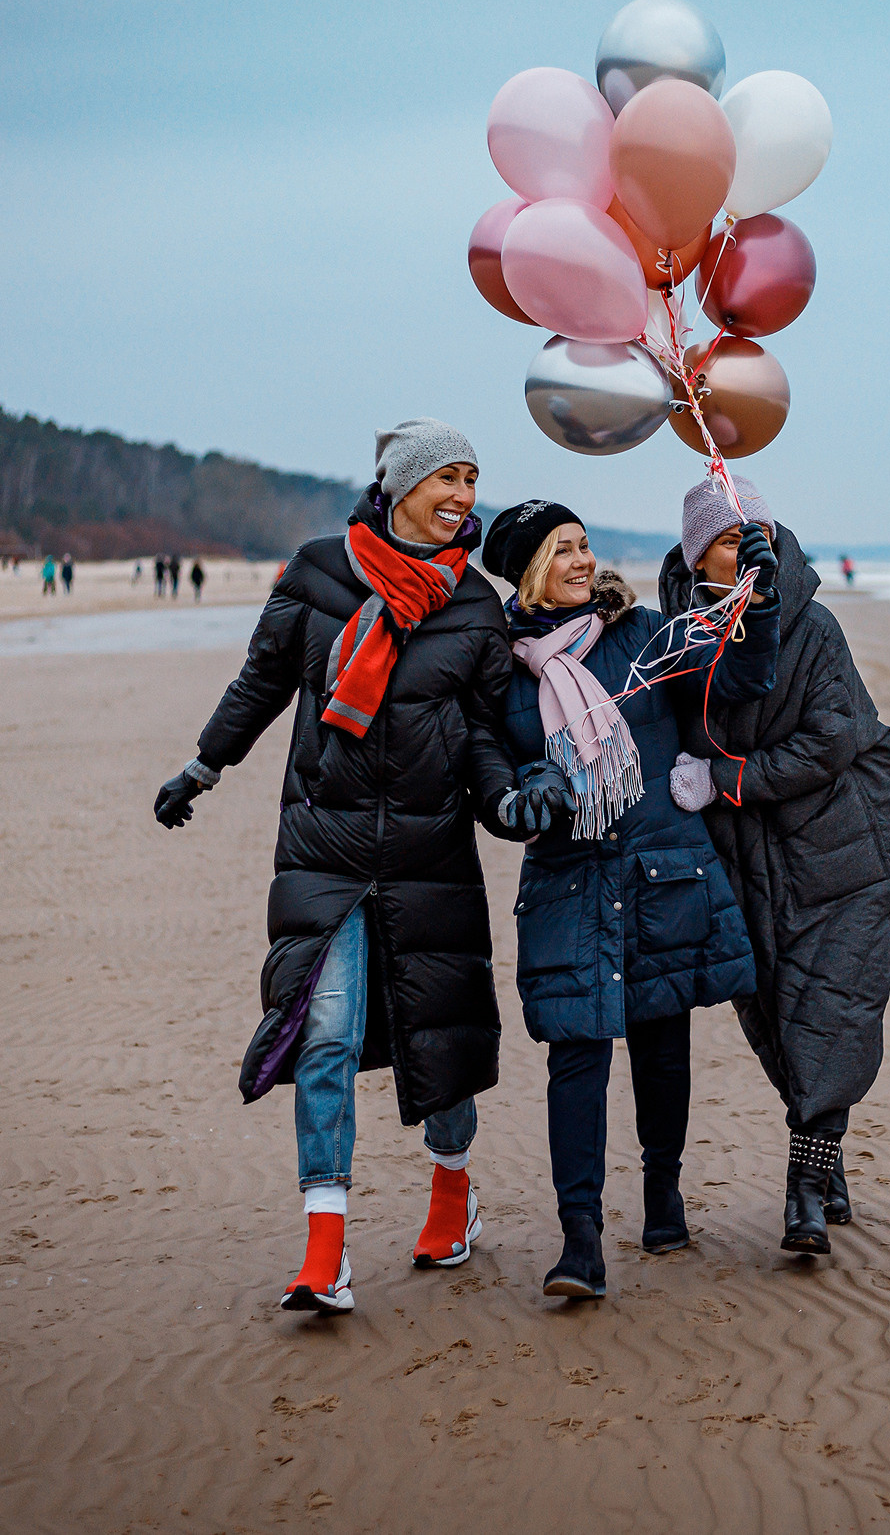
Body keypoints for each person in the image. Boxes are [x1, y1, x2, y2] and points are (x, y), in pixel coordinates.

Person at [154, 420, 517, 1316]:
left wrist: (525, 792)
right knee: (323, 1034)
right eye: (448, 477)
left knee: (444, 1042)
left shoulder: (475, 606)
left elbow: (498, 731)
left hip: (432, 853)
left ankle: (451, 1193)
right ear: (399, 484)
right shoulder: (317, 575)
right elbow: (261, 684)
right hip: (323, 847)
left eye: (473, 479)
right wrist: (203, 765)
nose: (464, 495)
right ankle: (325, 1247)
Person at [482, 497, 780, 1297]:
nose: (583, 561)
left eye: (585, 545)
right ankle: (580, 1238)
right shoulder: (503, 666)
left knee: (661, 1042)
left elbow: (741, 672)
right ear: (528, 571)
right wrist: (522, 794)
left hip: (658, 870)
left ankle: (663, 1194)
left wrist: (762, 592)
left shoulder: (646, 630)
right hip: (567, 883)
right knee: (575, 1056)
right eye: (563, 550)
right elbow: (487, 769)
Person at [659, 474, 890, 1256]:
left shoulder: (813, 624)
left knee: (831, 1009)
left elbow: (833, 739)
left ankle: (804, 1188)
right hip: (745, 855)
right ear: (699, 552)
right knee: (772, 1012)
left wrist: (726, 780)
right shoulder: (679, 631)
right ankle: (824, 1154)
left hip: (844, 846)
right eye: (732, 539)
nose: (748, 550)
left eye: (756, 534)